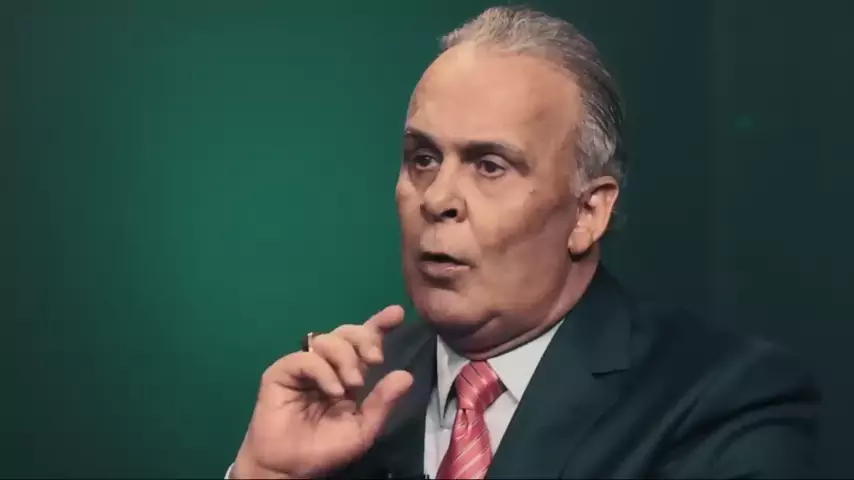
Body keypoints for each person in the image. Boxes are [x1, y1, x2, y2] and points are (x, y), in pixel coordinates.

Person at [227, 6, 820, 479]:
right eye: (423, 158)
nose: (438, 198)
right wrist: (263, 475)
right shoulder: (352, 394)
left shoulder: (723, 402)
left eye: (489, 165)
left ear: (588, 211)